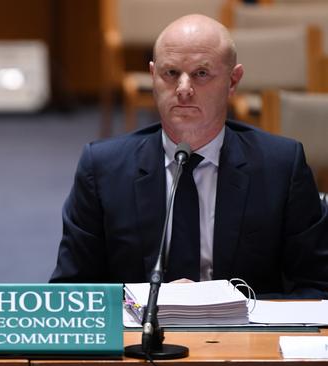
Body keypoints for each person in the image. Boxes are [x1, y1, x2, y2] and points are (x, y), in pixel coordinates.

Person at [50, 14, 328, 298]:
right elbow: (71, 292)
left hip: (244, 337)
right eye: (171, 73)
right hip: (139, 336)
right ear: (153, 76)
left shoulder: (280, 166)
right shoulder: (103, 168)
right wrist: (148, 300)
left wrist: (226, 305)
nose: (183, 89)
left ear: (233, 81)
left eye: (201, 74)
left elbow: (317, 287)